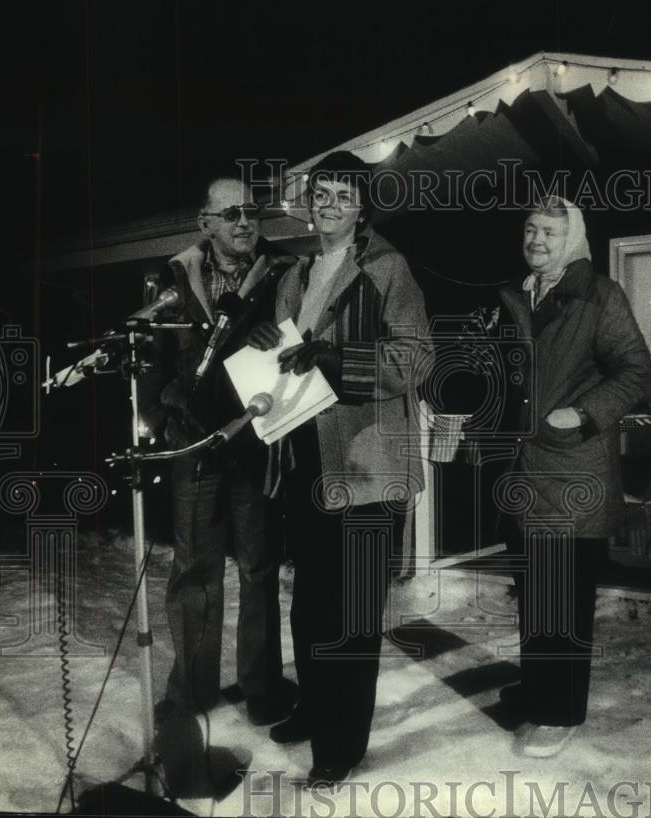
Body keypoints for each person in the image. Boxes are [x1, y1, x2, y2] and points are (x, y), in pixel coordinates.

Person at [247, 151, 432, 788]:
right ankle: (316, 704)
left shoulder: (387, 267)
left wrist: (334, 357)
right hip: (307, 461)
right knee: (311, 605)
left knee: (351, 613)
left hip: (368, 469)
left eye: (343, 196)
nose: (328, 205)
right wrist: (268, 350)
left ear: (362, 208)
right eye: (320, 193)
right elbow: (285, 353)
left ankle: (342, 744)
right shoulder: (294, 274)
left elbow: (414, 359)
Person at [496, 196, 651, 757]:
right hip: (526, 470)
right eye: (531, 229)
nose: (537, 240)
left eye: (551, 234)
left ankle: (560, 714)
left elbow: (635, 370)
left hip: (572, 469)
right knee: (537, 596)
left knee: (564, 599)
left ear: (575, 240)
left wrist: (583, 413)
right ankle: (539, 692)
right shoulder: (519, 294)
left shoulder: (598, 294)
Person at [141, 178, 297, 728]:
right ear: (204, 222)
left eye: (250, 212)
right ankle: (191, 690)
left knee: (259, 569)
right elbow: (153, 354)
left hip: (254, 441)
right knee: (194, 571)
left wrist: (273, 334)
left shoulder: (282, 273)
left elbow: (300, 339)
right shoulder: (176, 276)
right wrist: (159, 420)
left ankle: (262, 688)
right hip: (194, 445)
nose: (243, 222)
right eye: (230, 214)